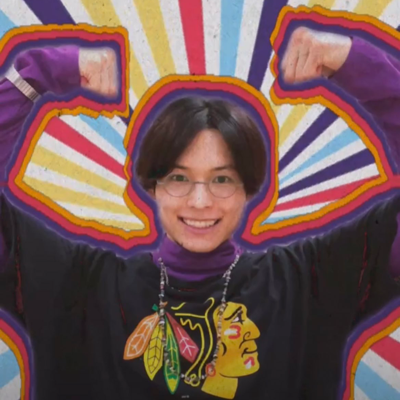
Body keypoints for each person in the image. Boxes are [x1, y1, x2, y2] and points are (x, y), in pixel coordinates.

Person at [0, 26, 399, 400]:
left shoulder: (310, 282)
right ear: (152, 186)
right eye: (179, 178)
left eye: (222, 179)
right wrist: (41, 73)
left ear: (249, 189)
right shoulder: (79, 286)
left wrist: (355, 62)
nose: (200, 201)